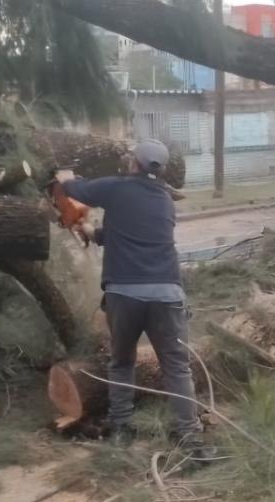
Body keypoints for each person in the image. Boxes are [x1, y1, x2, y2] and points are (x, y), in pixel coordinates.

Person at [56, 140, 211, 458]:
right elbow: (131, 233)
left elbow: (76, 189)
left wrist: (63, 175)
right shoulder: (165, 200)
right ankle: (189, 435)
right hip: (167, 293)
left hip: (125, 293)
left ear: (134, 163)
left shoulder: (117, 187)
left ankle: (121, 428)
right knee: (177, 367)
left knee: (122, 362)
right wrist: (94, 234)